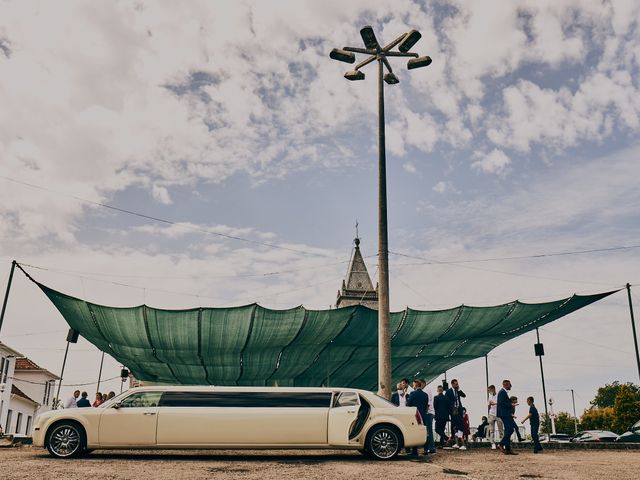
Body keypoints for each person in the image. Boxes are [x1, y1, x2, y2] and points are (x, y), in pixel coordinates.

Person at [406, 379, 429, 455]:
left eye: (413, 385)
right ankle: (426, 449)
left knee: (414, 431)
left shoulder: (412, 393)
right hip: (423, 415)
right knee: (424, 432)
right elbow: (426, 406)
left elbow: (409, 404)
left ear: (415, 386)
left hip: (415, 415)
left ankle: (415, 451)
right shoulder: (425, 395)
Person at [444, 379, 467, 450]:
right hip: (453, 410)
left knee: (460, 424)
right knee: (454, 426)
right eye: (456, 384)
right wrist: (449, 411)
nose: (457, 385)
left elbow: (464, 395)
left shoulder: (458, 391)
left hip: (459, 409)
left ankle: (462, 444)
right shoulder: (448, 392)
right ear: (452, 384)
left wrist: (459, 389)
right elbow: (446, 402)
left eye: (457, 384)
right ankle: (457, 443)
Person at [497, 379, 517, 455]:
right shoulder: (502, 392)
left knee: (507, 430)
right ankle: (501, 444)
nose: (511, 386)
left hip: (505, 414)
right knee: (510, 430)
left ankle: (508, 449)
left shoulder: (503, 392)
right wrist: (511, 404)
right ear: (505, 385)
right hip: (504, 414)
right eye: (509, 384)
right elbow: (501, 403)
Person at [421, 380, 436, 454]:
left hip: (428, 413)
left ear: (424, 383)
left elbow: (428, 403)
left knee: (428, 431)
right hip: (430, 412)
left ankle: (431, 447)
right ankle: (430, 447)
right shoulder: (427, 389)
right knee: (428, 430)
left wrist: (425, 412)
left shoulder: (426, 390)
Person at [487, 385, 503, 449]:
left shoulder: (499, 396)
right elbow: (489, 406)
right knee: (492, 430)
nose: (489, 392)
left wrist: (495, 404)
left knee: (501, 430)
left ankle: (502, 443)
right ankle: (493, 443)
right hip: (491, 414)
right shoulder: (490, 397)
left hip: (498, 414)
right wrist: (488, 413)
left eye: (489, 390)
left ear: (493, 389)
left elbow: (501, 403)